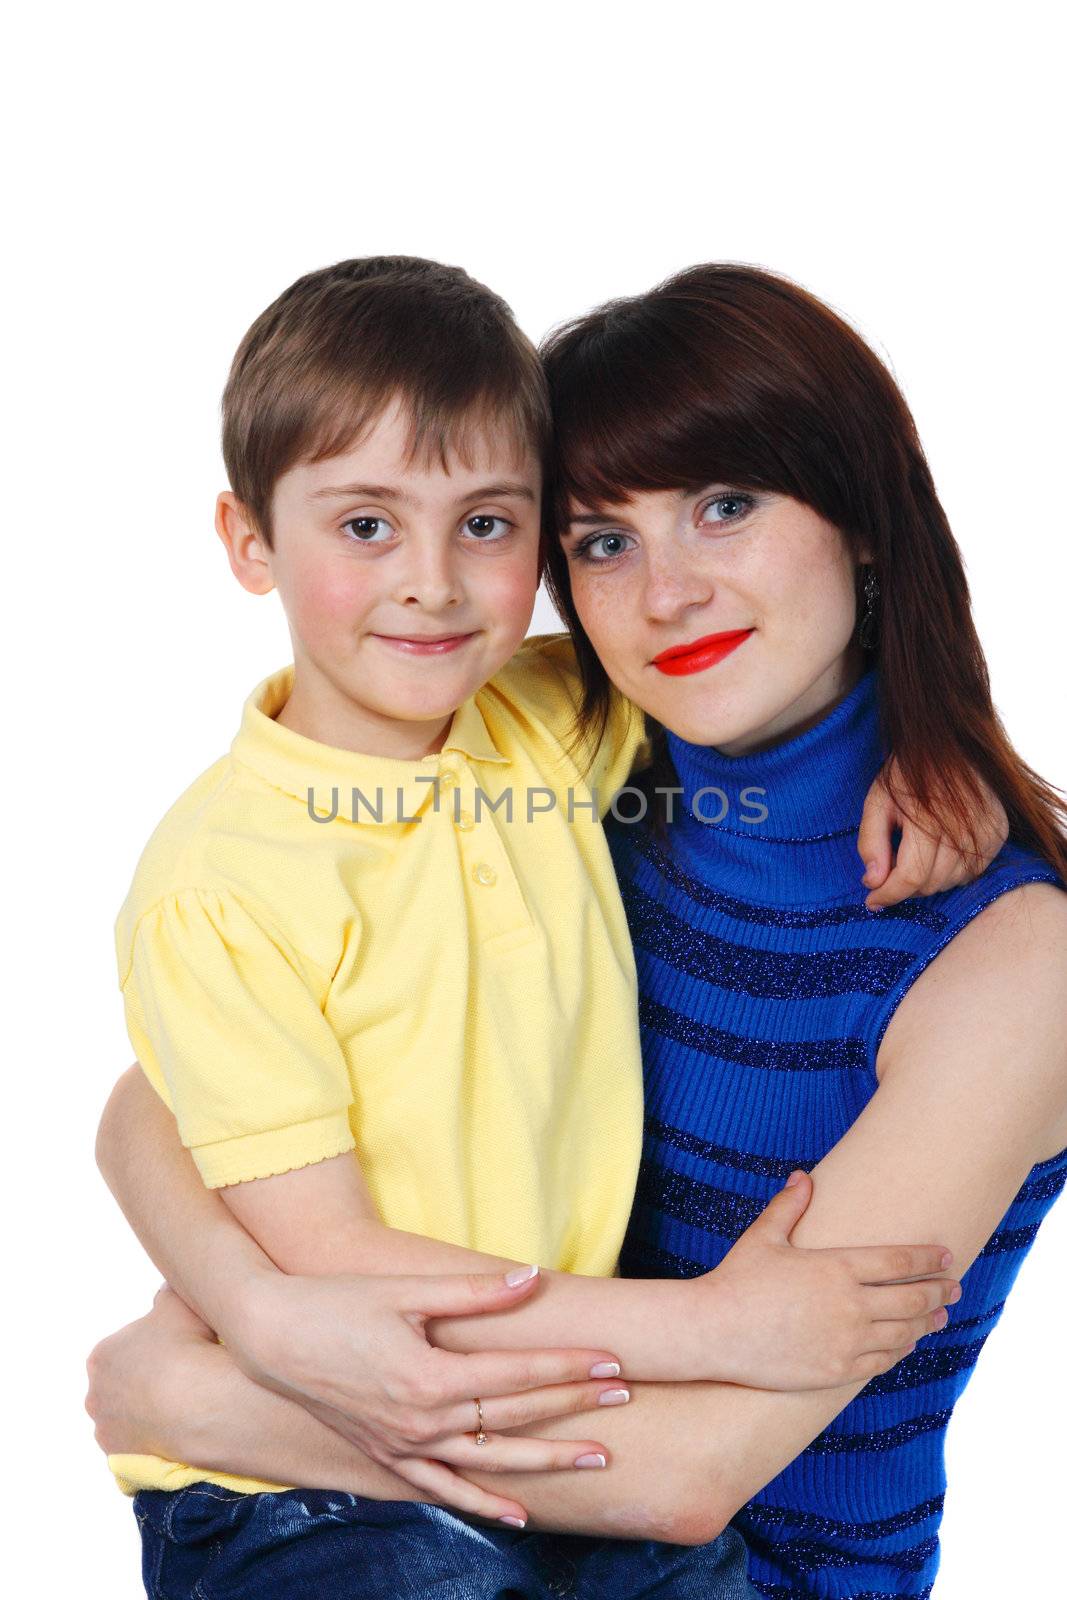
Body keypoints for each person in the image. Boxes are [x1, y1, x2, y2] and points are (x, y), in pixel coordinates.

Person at [87, 261, 1025, 1598]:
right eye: (601, 541)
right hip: (436, 1488)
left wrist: (200, 1397)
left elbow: (684, 1479)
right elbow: (161, 1093)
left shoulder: (1004, 954)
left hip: (727, 1544)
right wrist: (254, 1311)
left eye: (726, 505)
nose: (667, 594)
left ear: (864, 507)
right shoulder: (582, 772)